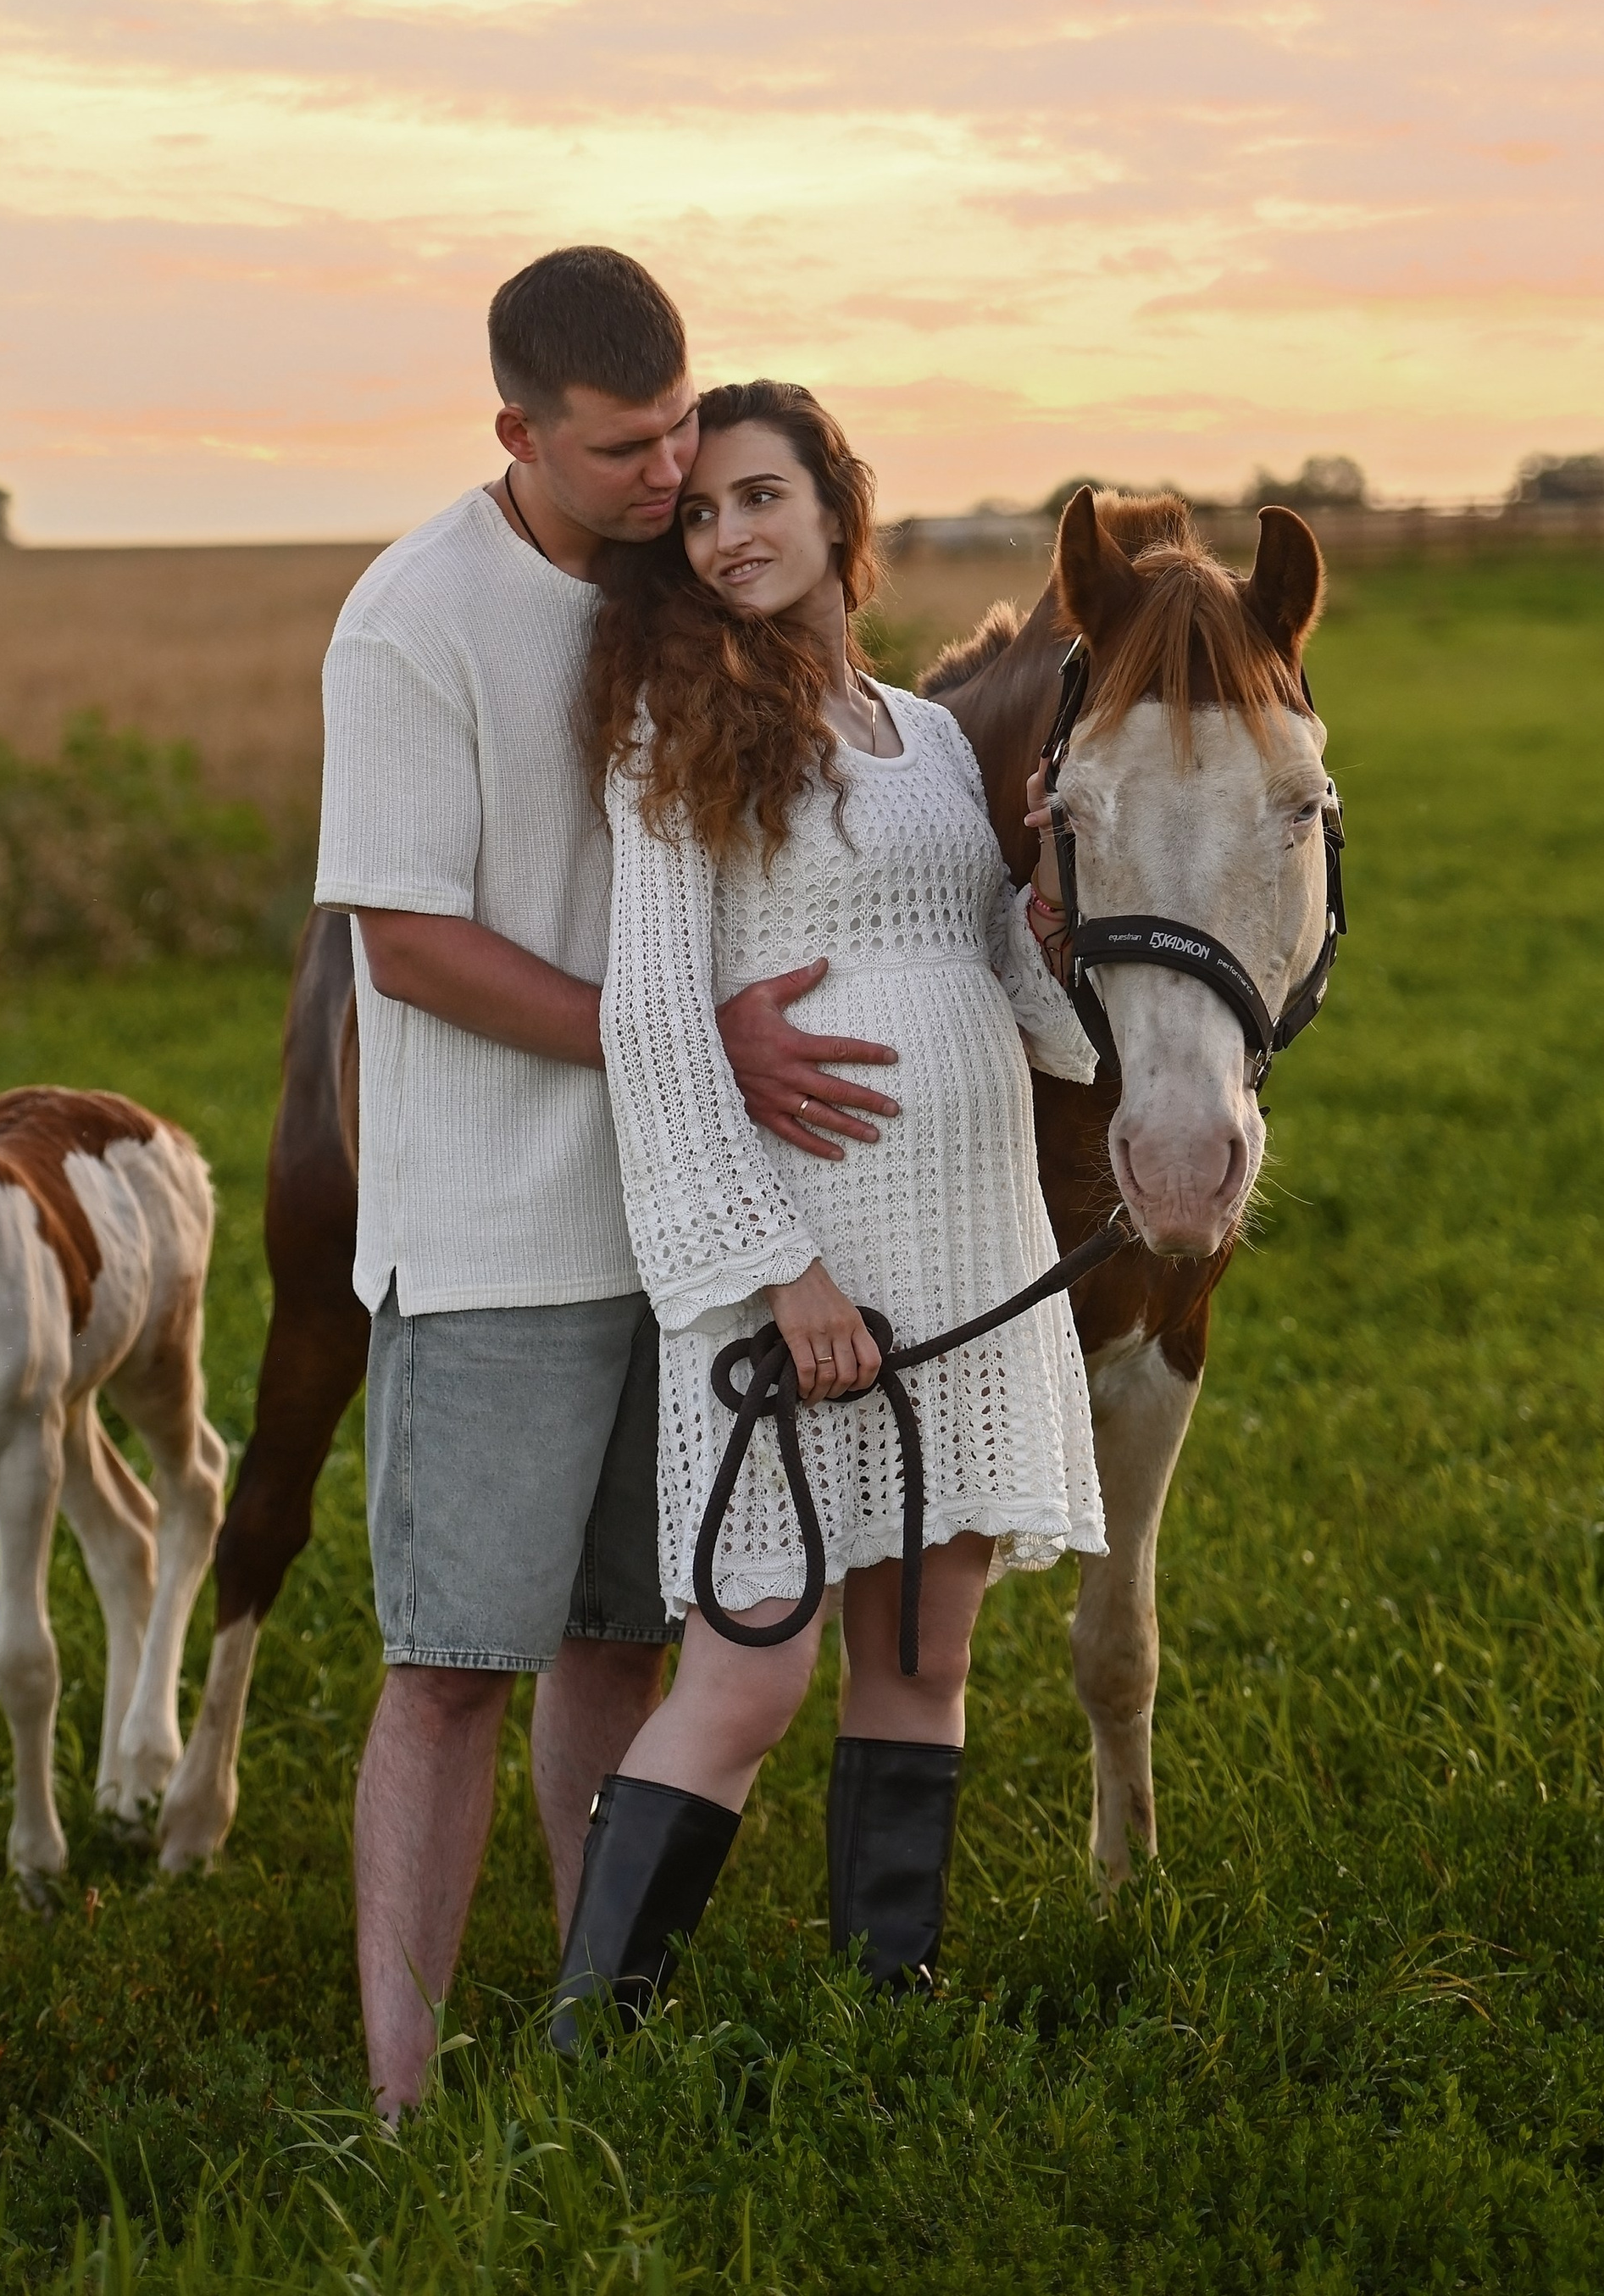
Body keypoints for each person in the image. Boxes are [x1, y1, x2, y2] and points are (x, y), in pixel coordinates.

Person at [315, 259, 903, 2115]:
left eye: (681, 433)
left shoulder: (679, 580)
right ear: (517, 431)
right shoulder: (412, 620)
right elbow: (406, 945)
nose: (671, 475)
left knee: (619, 1643)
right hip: (494, 1236)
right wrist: (678, 1044)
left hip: (691, 1228)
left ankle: (597, 2034)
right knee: (450, 1669)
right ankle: (401, 2100)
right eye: (625, 449)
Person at [547, 381, 1105, 2046]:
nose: (727, 536)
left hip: (967, 1250)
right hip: (801, 1266)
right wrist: (778, 1273)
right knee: (748, 1675)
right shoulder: (677, 730)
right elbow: (655, 1027)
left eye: (759, 497)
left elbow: (1014, 1004)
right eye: (699, 514)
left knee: (923, 1659)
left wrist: (1052, 924)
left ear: (834, 508)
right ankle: (591, 2044)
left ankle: (888, 2021)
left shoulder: (924, 738)